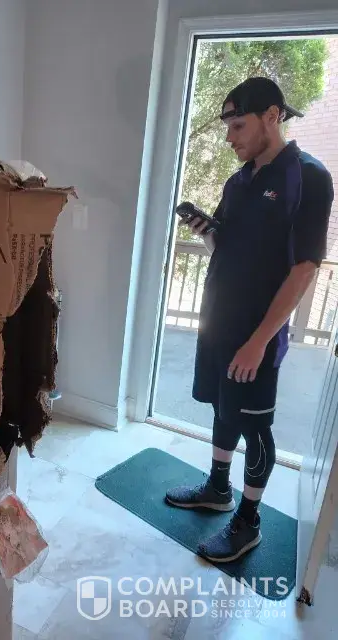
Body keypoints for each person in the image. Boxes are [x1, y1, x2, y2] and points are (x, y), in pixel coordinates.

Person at [165, 77, 334, 563]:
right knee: (224, 410)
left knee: (255, 427)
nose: (229, 137)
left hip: (257, 335)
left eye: (238, 126)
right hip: (218, 321)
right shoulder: (238, 181)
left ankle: (248, 521)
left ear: (272, 116)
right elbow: (225, 246)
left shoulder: (307, 176)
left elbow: (305, 267)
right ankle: (218, 489)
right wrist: (205, 229)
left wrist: (259, 340)